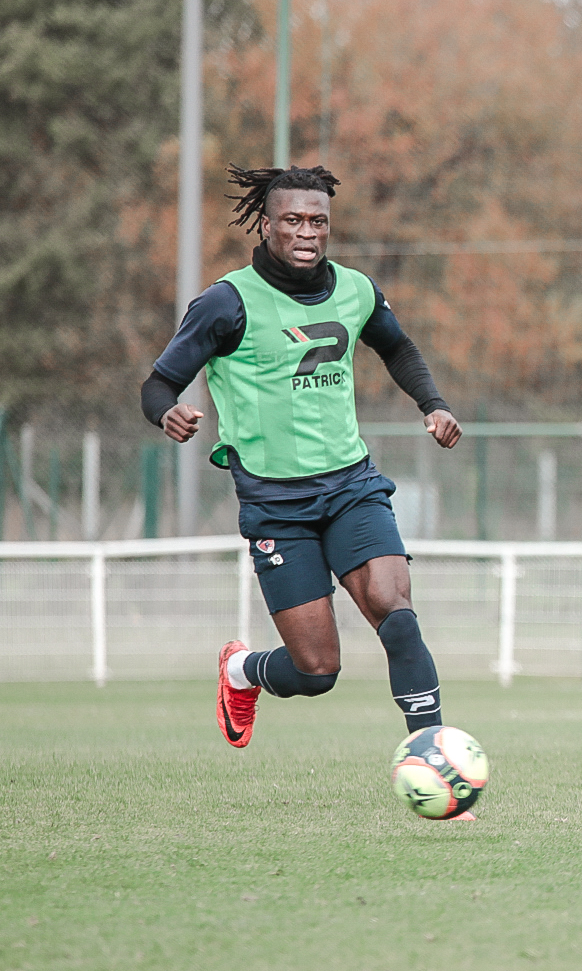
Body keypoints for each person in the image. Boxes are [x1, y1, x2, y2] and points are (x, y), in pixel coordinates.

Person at [142, 165, 462, 753]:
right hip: (275, 502)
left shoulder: (355, 289)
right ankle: (242, 671)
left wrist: (433, 404)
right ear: (266, 226)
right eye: (292, 220)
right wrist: (168, 412)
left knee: (395, 606)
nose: (307, 231)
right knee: (316, 672)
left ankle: (435, 756)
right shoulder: (226, 302)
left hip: (352, 485)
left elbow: (397, 346)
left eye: (318, 221)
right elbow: (158, 384)